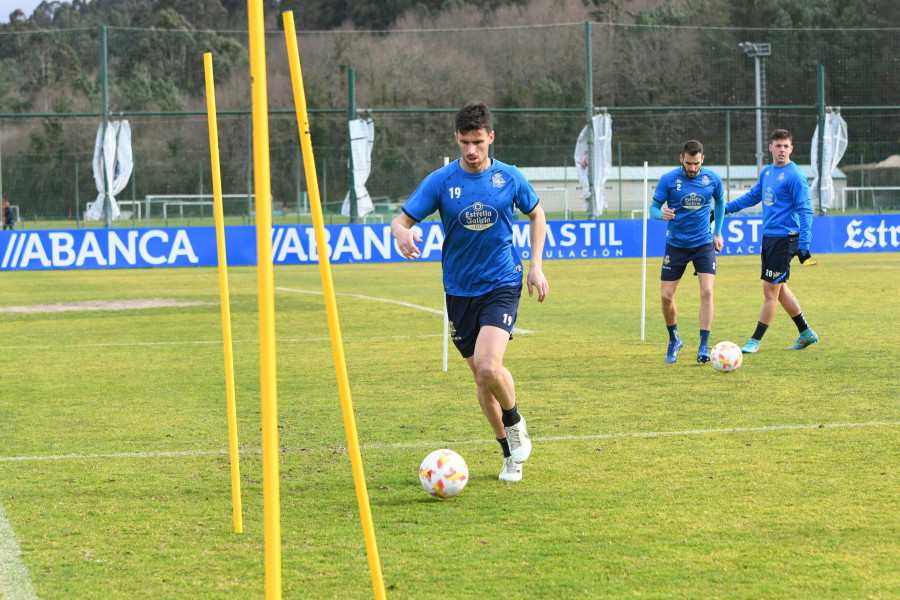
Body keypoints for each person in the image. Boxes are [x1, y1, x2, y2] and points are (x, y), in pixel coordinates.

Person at [391, 102, 549, 483]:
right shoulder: (441, 181)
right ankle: (509, 454)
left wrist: (536, 266)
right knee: (481, 378)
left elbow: (537, 213)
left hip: (502, 282)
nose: (472, 150)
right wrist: (401, 233)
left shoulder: (509, 177)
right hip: (459, 290)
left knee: (488, 365)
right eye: (465, 142)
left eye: (478, 141)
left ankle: (515, 424)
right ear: (457, 140)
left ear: (491, 137)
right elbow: (402, 219)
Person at [726, 129, 818, 354]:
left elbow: (806, 210)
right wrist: (726, 209)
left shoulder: (796, 175)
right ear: (770, 148)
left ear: (791, 149)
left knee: (770, 289)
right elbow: (752, 196)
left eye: (786, 146)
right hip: (769, 238)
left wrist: (804, 245)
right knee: (780, 286)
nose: (782, 150)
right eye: (778, 146)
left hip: (785, 239)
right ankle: (806, 332)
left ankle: (755, 340)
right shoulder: (767, 172)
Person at [650, 140, 725, 364]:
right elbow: (653, 208)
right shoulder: (668, 180)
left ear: (703, 159)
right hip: (676, 244)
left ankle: (703, 346)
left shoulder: (712, 178)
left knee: (707, 293)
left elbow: (720, 203)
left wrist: (718, 232)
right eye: (689, 163)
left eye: (696, 163)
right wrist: (660, 214)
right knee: (666, 297)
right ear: (681, 158)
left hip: (703, 243)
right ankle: (674, 340)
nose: (692, 168)